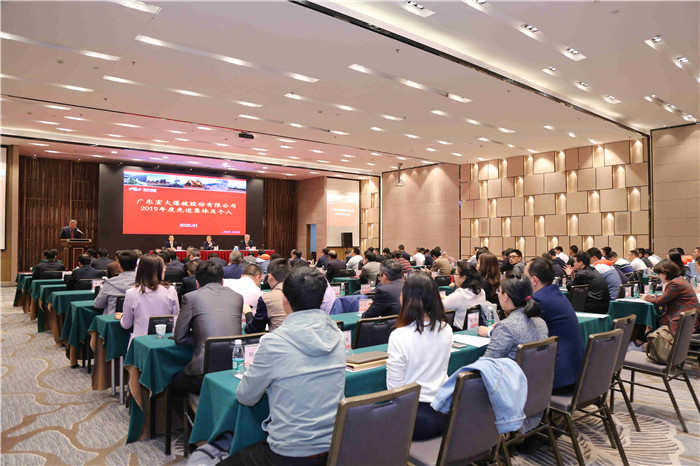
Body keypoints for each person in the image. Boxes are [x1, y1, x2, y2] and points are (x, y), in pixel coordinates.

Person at [230, 266, 345, 466]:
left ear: (285, 299)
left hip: (288, 453)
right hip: (335, 447)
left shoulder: (273, 342)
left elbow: (246, 397)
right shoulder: (338, 334)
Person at [386, 272, 452, 440]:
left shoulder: (399, 336)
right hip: (444, 411)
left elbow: (394, 391)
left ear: (408, 299)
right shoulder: (446, 328)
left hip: (414, 418)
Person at [172, 261, 244, 393]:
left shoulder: (190, 297)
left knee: (173, 381)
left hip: (204, 371)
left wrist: (204, 338)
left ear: (197, 283)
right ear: (222, 281)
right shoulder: (238, 297)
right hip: (235, 367)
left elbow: (180, 338)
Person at [524, 258, 584, 390]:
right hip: (575, 369)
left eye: (525, 277)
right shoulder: (555, 293)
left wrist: (491, 331)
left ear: (534, 280)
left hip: (559, 376)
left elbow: (522, 332)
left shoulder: (539, 300)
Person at [629, 259, 700, 350]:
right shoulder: (681, 280)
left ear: (665, 273)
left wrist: (647, 297)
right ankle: (642, 343)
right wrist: (654, 297)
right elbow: (667, 297)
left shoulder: (675, 283)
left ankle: (643, 344)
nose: (658, 276)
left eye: (659, 274)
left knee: (650, 318)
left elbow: (660, 301)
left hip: (679, 320)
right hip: (690, 319)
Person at [117, 254, 179, 346]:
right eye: (163, 267)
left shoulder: (131, 293)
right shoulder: (171, 290)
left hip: (139, 343)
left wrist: (123, 317)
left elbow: (126, 324)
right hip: (164, 342)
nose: (165, 269)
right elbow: (176, 319)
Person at [245, 259, 291, 334]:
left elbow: (254, 329)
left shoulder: (267, 299)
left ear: (269, 277)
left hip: (279, 339)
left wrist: (248, 313)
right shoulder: (302, 293)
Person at [442, 261, 486, 329]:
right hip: (477, 329)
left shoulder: (460, 295)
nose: (454, 276)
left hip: (459, 332)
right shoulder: (481, 292)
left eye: (456, 274)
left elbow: (438, 306)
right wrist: (446, 297)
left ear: (463, 278)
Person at [94, 250, 138, 315]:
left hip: (112, 319)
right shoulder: (144, 283)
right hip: (136, 318)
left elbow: (98, 305)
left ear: (119, 266)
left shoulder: (109, 283)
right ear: (136, 265)